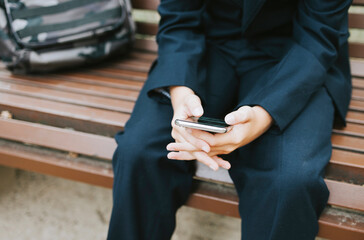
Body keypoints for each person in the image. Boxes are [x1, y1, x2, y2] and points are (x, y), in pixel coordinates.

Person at [107, 0, 352, 239]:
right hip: (204, 49)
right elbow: (178, 17)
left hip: (295, 59)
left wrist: (263, 116)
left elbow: (318, 36)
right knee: (139, 152)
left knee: (288, 182)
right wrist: (180, 91)